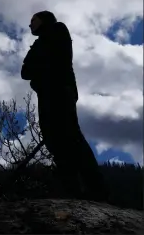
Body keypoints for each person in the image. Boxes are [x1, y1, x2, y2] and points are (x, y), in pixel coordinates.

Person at [21, 11, 108, 201]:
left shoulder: (57, 30)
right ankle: (72, 191)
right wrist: (38, 73)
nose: (30, 25)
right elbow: (25, 72)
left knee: (71, 136)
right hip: (46, 96)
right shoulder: (39, 43)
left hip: (61, 92)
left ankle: (97, 190)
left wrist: (39, 72)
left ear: (43, 19)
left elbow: (54, 61)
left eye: (32, 20)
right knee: (54, 141)